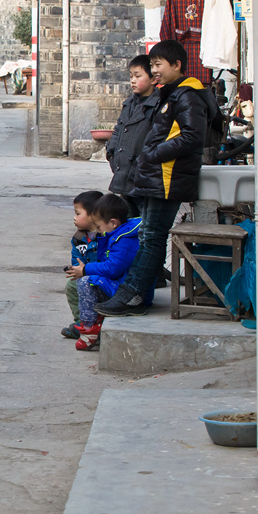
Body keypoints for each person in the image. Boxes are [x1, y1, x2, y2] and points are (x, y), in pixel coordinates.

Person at [96, 39, 221, 317]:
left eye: (158, 65)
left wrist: (151, 154)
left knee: (152, 237)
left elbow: (192, 137)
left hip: (168, 177)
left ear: (176, 65)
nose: (154, 70)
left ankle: (133, 296)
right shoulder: (172, 93)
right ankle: (132, 294)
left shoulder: (188, 95)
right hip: (157, 176)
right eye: (151, 65)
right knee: (147, 236)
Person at [65, 194, 143, 351]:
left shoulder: (124, 240)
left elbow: (113, 269)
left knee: (86, 282)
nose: (98, 231)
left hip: (127, 292)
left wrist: (86, 269)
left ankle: (89, 328)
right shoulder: (114, 235)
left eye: (99, 227)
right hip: (118, 284)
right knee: (79, 282)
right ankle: (88, 324)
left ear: (113, 223)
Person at [106, 54, 160, 217]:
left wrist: (142, 162)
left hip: (142, 176)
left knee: (145, 221)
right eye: (131, 76)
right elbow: (118, 129)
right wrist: (111, 152)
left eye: (138, 76)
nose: (133, 81)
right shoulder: (129, 104)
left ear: (153, 79)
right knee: (127, 220)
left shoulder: (157, 105)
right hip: (123, 174)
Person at [62, 190, 103, 339]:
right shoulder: (79, 238)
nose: (74, 218)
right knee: (72, 285)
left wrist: (87, 270)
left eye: (78, 213)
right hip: (86, 275)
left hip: (103, 276)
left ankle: (94, 324)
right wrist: (76, 269)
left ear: (93, 215)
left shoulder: (105, 235)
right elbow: (76, 259)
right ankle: (81, 323)